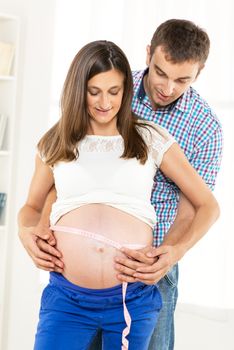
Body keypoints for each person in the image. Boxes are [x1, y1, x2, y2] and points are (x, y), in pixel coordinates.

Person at [18, 19, 223, 350]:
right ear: (147, 57)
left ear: (198, 74)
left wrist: (169, 254)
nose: (168, 88)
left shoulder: (187, 130)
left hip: (145, 274)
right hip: (69, 292)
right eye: (161, 73)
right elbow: (44, 197)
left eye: (182, 80)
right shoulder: (61, 136)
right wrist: (28, 230)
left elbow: (199, 206)